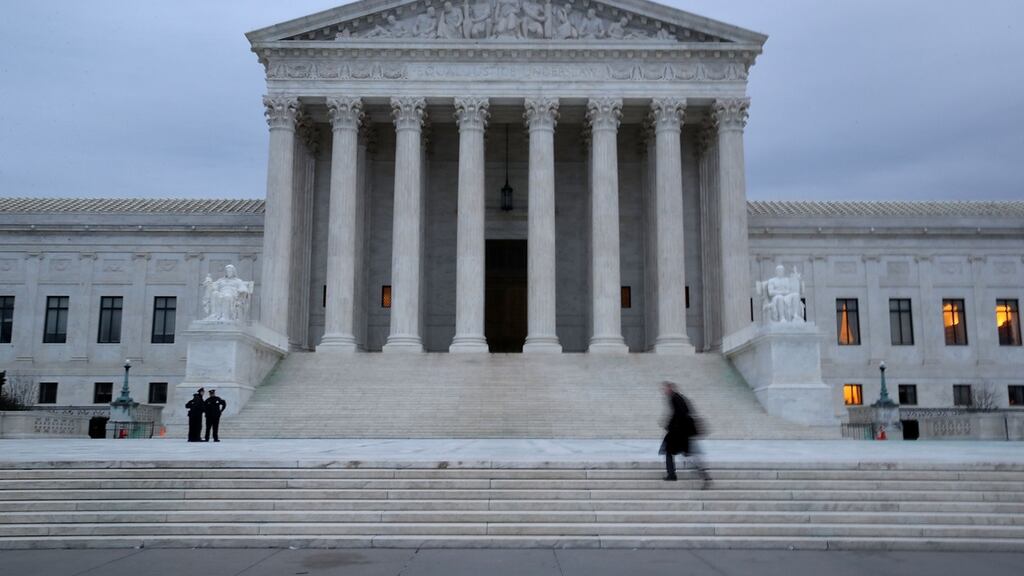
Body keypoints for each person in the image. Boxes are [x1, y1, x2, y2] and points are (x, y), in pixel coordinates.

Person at [659, 381, 708, 486]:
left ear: (670, 389)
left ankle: (672, 475)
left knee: (670, 451)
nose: (663, 391)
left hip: (679, 432)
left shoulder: (674, 398)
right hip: (683, 432)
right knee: (685, 454)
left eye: (665, 389)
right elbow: (686, 412)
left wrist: (669, 425)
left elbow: (678, 414)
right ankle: (702, 474)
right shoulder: (679, 398)